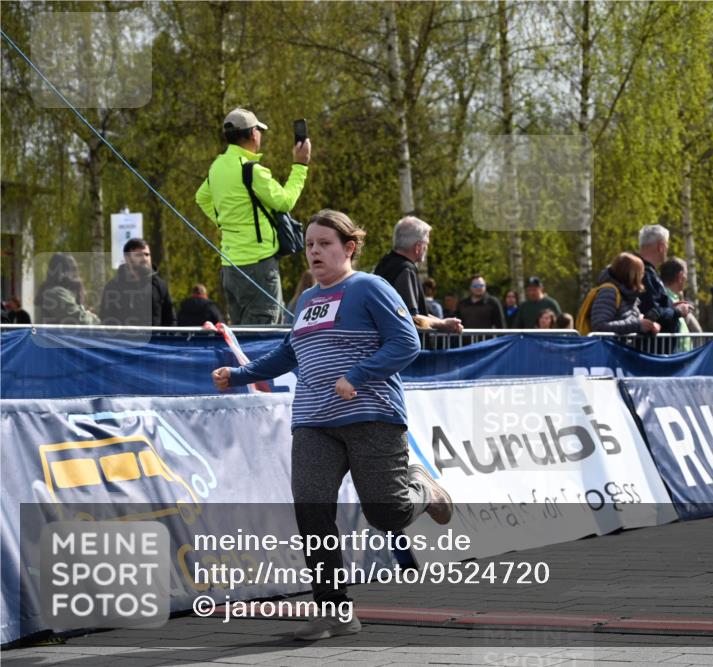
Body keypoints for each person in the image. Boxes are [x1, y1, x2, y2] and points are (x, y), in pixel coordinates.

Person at [211, 210, 453, 640]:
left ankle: (426, 488)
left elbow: (407, 342)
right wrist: (239, 374)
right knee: (311, 509)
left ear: (349, 248)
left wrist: (357, 375)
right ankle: (334, 611)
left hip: (371, 416)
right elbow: (289, 353)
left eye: (325, 243)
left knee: (386, 512)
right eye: (309, 245)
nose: (315, 252)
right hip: (314, 422)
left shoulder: (368, 288)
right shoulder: (305, 300)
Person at [196, 108, 311, 325]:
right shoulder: (253, 170)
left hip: (230, 267)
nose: (261, 135)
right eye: (259, 130)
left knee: (242, 336)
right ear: (252, 134)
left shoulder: (217, 167)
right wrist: (300, 165)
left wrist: (225, 221)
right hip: (259, 265)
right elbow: (286, 201)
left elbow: (201, 197)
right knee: (263, 339)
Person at [373, 216, 462, 333]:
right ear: (418, 247)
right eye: (426, 244)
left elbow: (412, 313)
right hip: (401, 347)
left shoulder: (385, 263)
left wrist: (443, 322)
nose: (427, 248)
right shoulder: (406, 270)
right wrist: (442, 324)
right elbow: (413, 319)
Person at [99, 238, 175, 327]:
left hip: (155, 340)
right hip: (124, 340)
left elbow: (170, 320)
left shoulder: (159, 285)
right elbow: (107, 321)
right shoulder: (113, 287)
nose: (145, 259)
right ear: (127, 258)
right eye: (139, 255)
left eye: (147, 255)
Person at [586, 253, 660, 335]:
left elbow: (628, 320)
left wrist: (647, 324)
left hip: (619, 347)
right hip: (608, 347)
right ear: (632, 275)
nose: (642, 277)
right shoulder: (609, 292)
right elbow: (599, 326)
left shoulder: (630, 295)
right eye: (641, 273)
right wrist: (638, 325)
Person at [635, 225, 687, 335]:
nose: (667, 249)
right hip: (651, 348)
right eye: (667, 244)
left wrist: (670, 307)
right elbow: (652, 313)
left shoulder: (643, 272)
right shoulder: (645, 275)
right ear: (661, 247)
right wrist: (677, 311)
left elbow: (655, 308)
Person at [35, 253, 100, 325]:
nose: (77, 273)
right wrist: (93, 317)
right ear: (62, 272)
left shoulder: (62, 292)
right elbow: (82, 321)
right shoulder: (55, 293)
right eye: (73, 269)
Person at [660, 257, 697, 351]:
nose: (686, 279)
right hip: (675, 360)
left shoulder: (671, 297)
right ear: (680, 276)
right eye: (686, 275)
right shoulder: (666, 299)